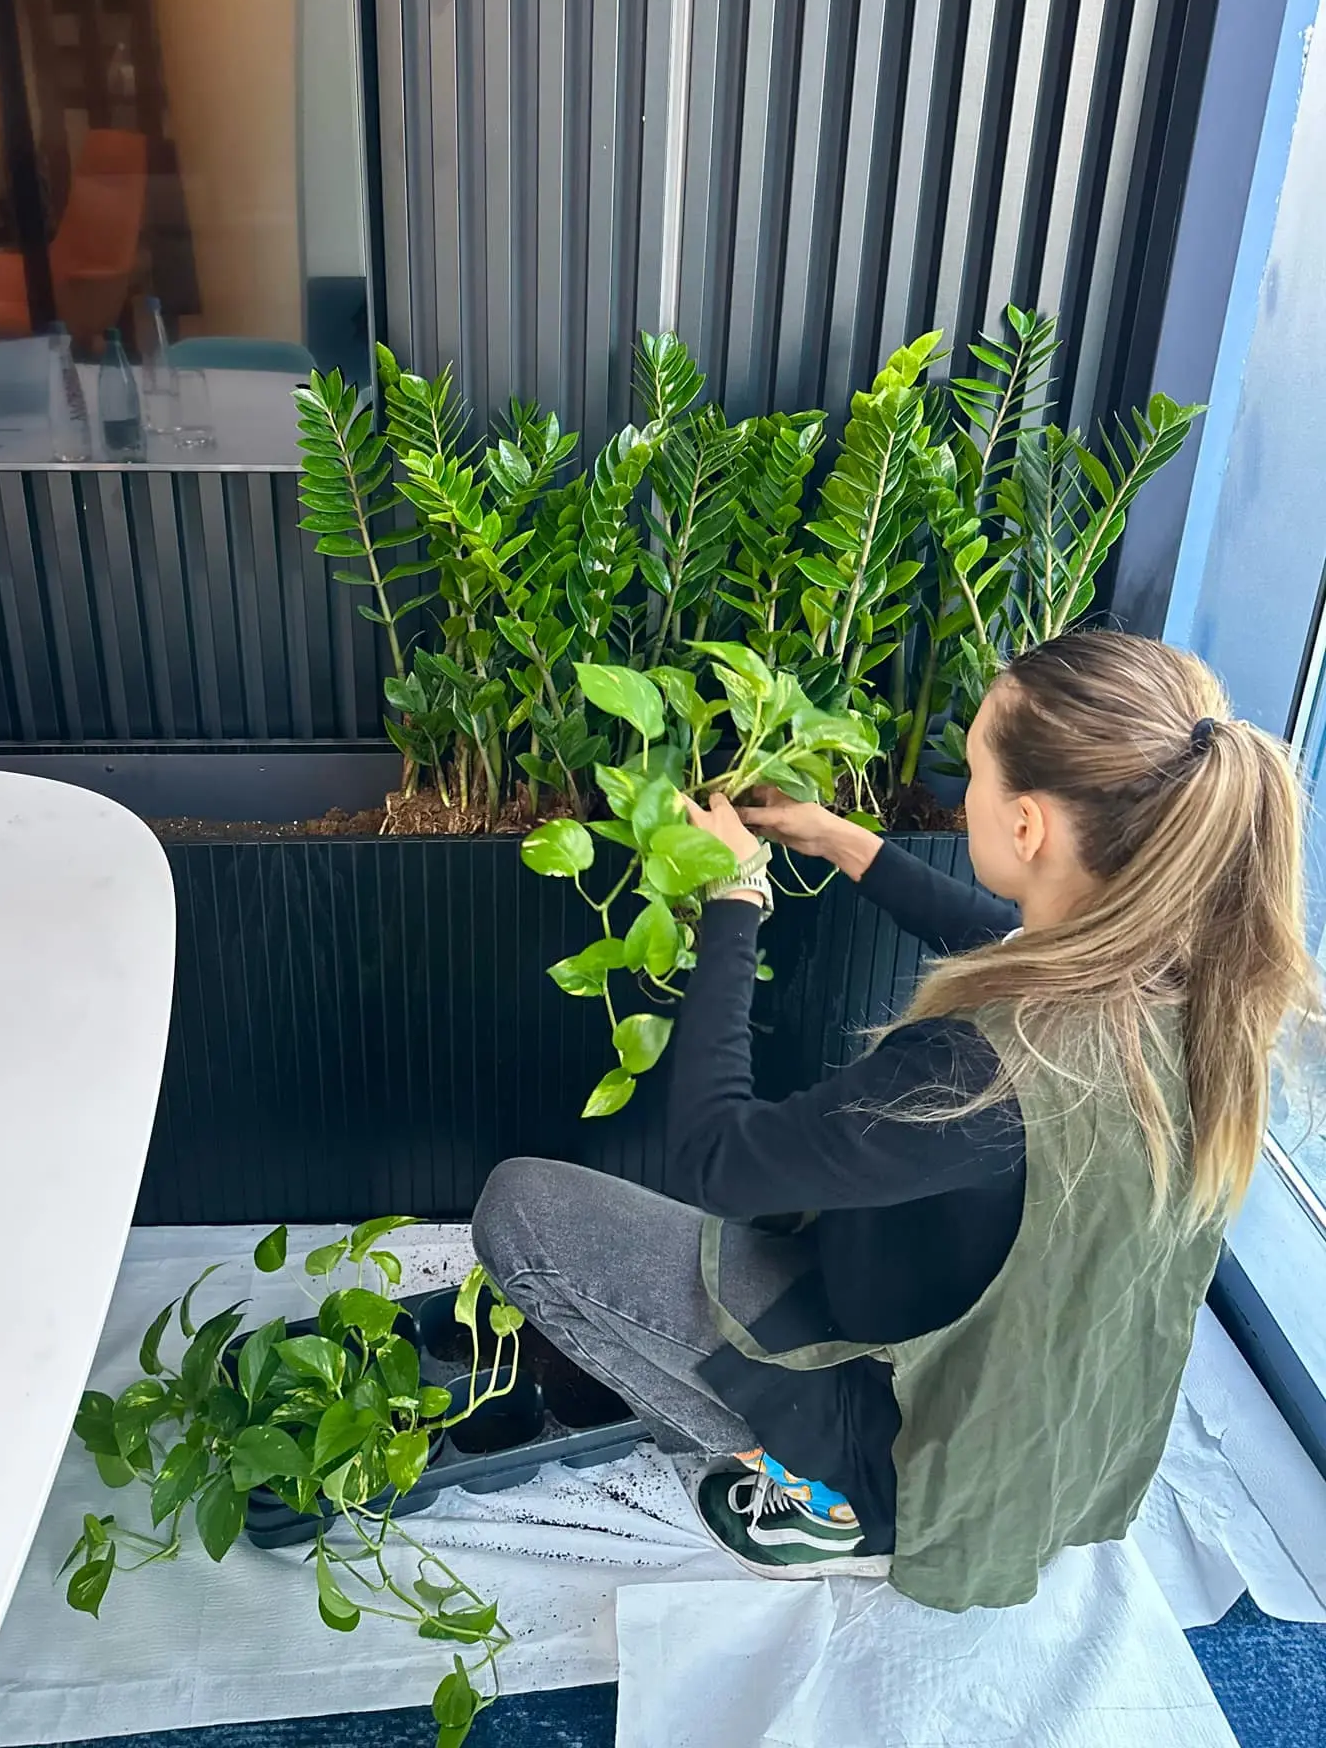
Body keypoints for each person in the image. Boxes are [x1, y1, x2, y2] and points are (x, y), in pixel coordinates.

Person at [471, 632, 1318, 1610]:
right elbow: (999, 938)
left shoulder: (983, 1072)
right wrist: (842, 842)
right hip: (1047, 1413)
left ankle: (840, 1502)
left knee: (522, 1209)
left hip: (922, 1443)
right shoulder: (1194, 980)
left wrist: (733, 900)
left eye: (976, 770)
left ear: (1029, 825)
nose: (964, 792)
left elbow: (715, 1158)